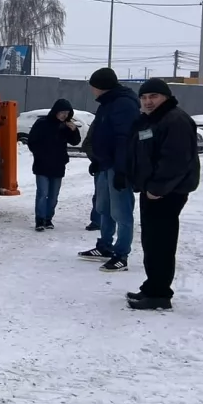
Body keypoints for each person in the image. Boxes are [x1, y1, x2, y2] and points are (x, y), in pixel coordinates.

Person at [124, 78, 200, 310]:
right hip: (152, 189)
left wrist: (157, 188)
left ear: (166, 97)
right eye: (144, 97)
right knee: (151, 241)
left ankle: (160, 294)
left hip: (167, 192)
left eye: (153, 97)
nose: (148, 101)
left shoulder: (175, 120)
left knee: (161, 243)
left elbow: (175, 160)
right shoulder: (152, 120)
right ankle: (152, 286)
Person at [77, 67, 140, 272]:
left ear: (102, 86)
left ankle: (121, 254)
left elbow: (124, 139)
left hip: (118, 166)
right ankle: (104, 246)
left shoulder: (124, 104)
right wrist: (97, 159)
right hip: (105, 164)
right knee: (104, 208)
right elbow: (102, 134)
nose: (92, 90)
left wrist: (122, 170)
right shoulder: (107, 103)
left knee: (121, 211)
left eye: (93, 86)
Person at [28, 98, 80, 231]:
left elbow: (75, 142)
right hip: (42, 165)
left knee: (53, 196)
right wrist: (39, 155)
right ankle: (40, 220)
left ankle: (48, 219)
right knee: (42, 193)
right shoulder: (42, 123)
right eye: (62, 112)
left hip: (58, 165)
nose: (64, 115)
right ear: (56, 111)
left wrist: (74, 130)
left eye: (67, 113)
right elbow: (32, 141)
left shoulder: (66, 126)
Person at [81, 124, 101, 231]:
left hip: (120, 165)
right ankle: (97, 221)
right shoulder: (99, 121)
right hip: (101, 165)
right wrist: (95, 159)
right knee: (99, 195)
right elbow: (87, 143)